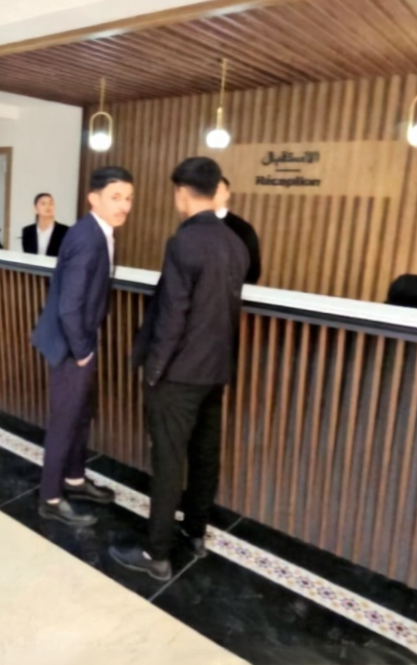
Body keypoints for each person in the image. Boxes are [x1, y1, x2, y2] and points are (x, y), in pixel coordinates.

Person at [111, 157, 249, 580]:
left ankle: (156, 554)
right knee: (204, 455)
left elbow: (173, 315)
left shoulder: (184, 242)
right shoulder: (235, 243)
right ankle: (195, 534)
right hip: (216, 371)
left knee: (169, 462)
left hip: (179, 374)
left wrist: (154, 369)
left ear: (182, 193)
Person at [30, 167, 135, 526]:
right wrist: (82, 351)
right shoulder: (87, 237)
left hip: (79, 341)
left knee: (80, 413)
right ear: (94, 199)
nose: (124, 205)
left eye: (128, 198)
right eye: (115, 197)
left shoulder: (98, 231)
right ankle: (50, 497)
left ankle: (74, 479)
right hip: (70, 345)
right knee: (64, 420)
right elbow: (69, 305)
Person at [215, 176, 262, 285]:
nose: (213, 194)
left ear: (227, 194)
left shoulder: (242, 229)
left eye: (218, 190)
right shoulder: (190, 225)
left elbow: (253, 269)